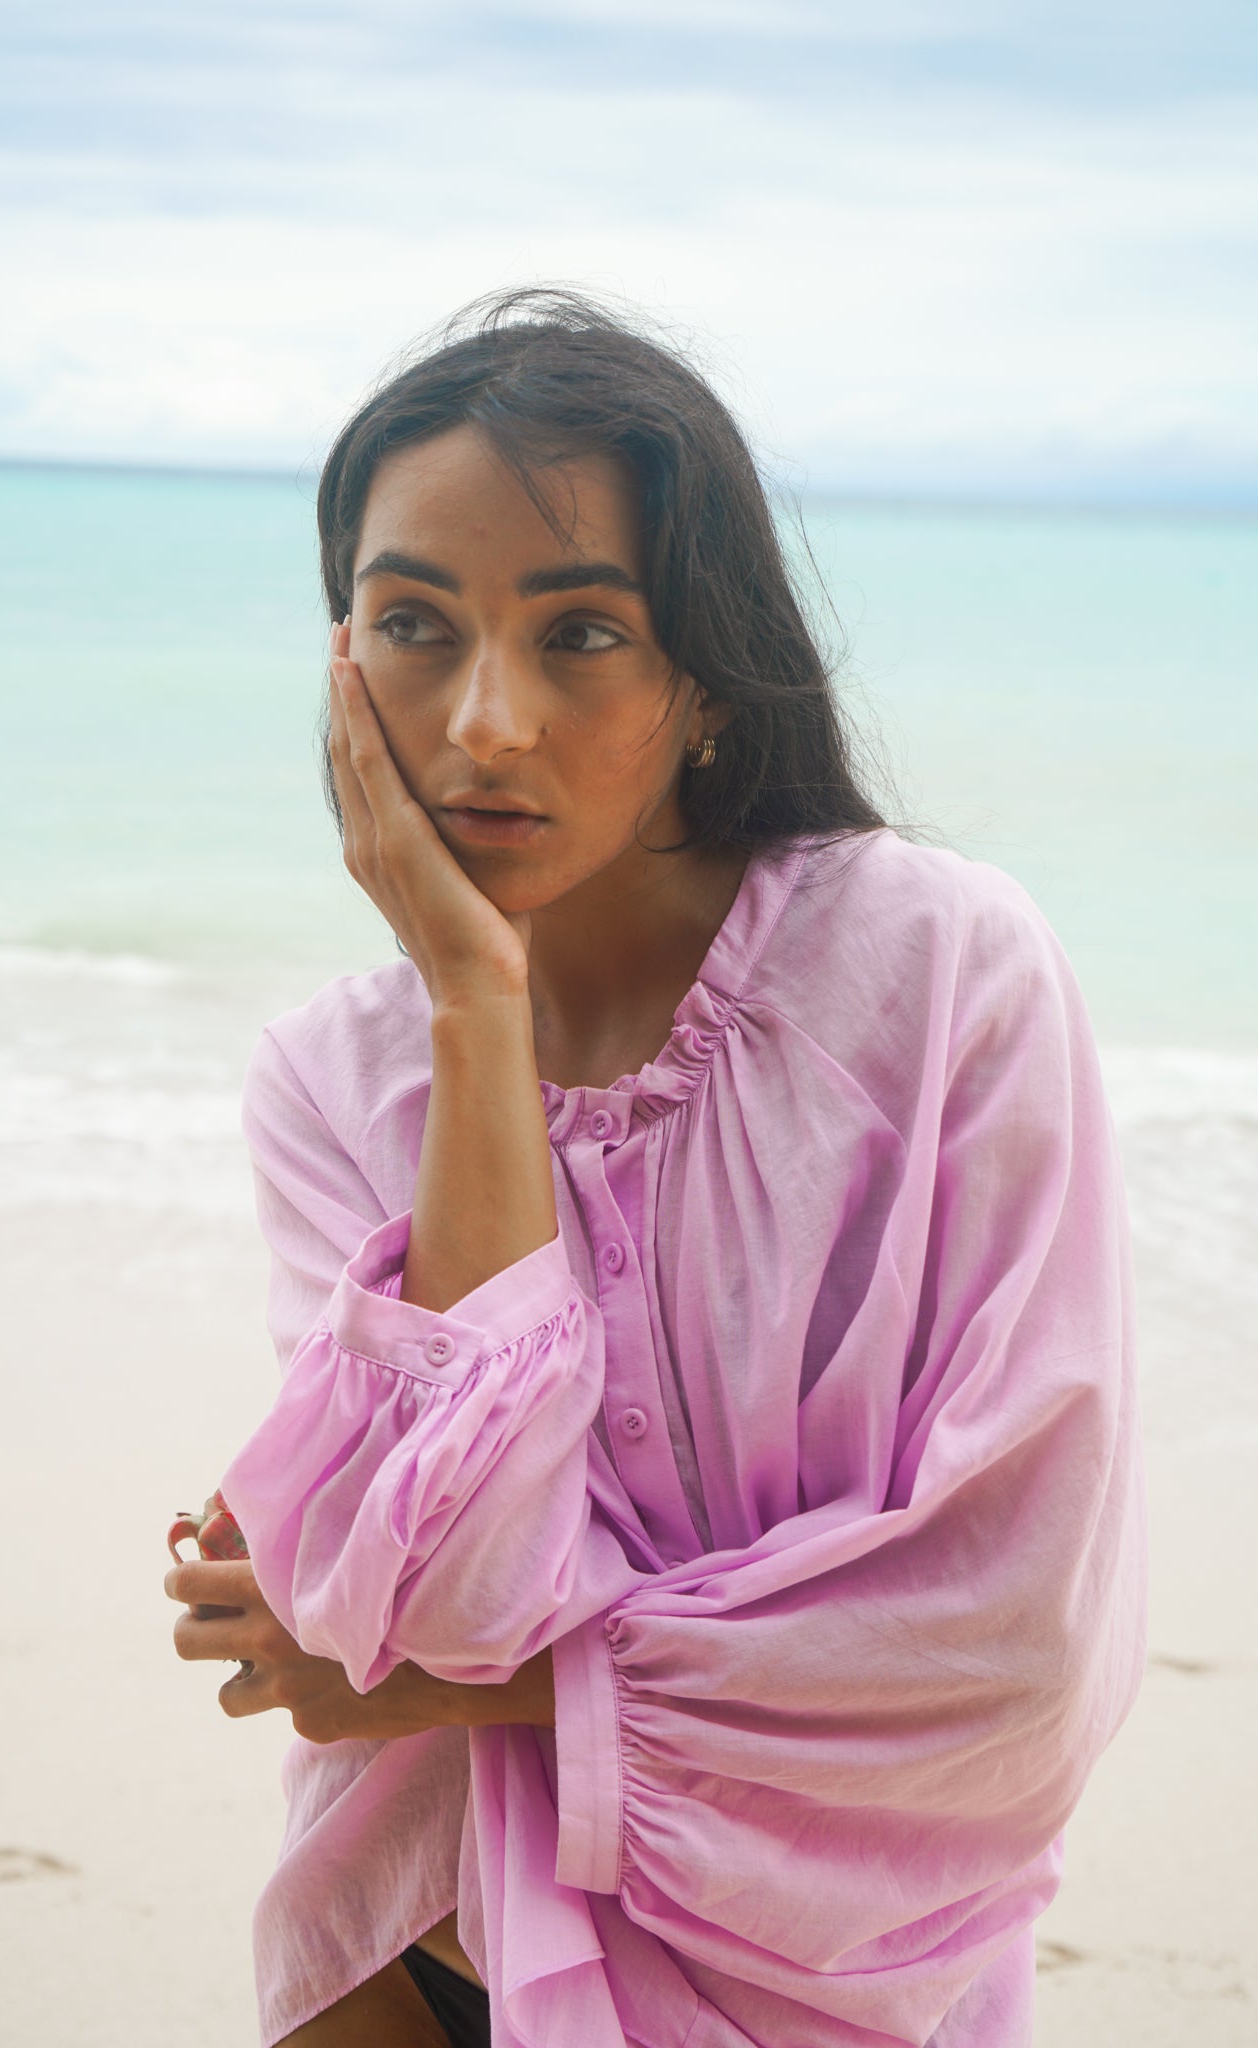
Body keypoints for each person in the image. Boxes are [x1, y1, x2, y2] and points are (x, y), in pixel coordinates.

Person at [165, 288, 1148, 2048]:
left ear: (705, 673)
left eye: (582, 634)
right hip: (405, 1947)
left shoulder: (936, 977)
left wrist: (487, 1672)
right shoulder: (335, 1076)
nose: (482, 725)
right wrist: (474, 1008)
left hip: (818, 1980)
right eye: (409, 623)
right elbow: (437, 1592)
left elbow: (1009, 1639)